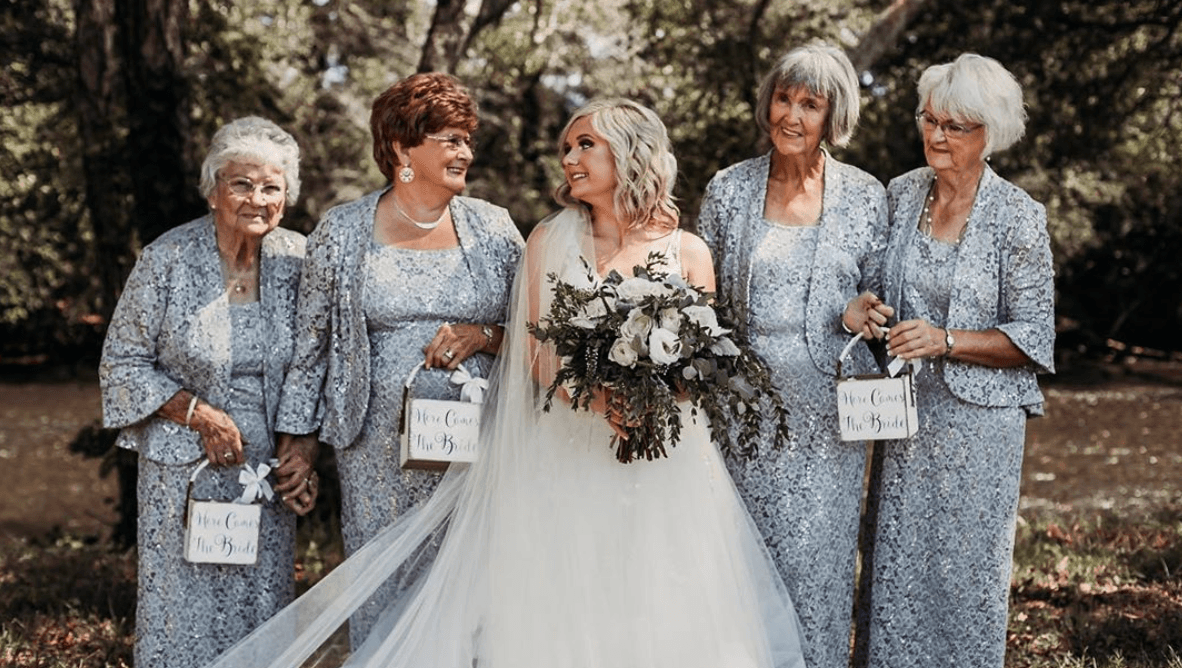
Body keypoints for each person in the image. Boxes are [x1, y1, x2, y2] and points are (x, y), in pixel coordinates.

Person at [207, 98, 806, 668]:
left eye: (585, 145)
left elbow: (702, 356)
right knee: (568, 597)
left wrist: (653, 402)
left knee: (663, 589)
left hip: (664, 456)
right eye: (566, 146)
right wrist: (602, 401)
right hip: (566, 448)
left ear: (628, 153)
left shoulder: (689, 251)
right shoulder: (549, 239)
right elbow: (535, 351)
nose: (569, 159)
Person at [273, 71, 524, 647]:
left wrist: (483, 334)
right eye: (450, 140)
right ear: (400, 148)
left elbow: (533, 333)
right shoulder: (340, 230)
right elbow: (312, 348)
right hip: (376, 455)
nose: (466, 151)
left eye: (467, 139)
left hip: (480, 447)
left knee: (475, 590)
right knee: (385, 588)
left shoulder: (493, 226)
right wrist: (301, 442)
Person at [844, 53, 1055, 668]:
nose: (937, 135)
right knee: (896, 566)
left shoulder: (1020, 217)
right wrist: (865, 307)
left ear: (991, 132)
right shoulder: (901, 191)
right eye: (930, 120)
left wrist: (946, 340)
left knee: (966, 575)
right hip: (905, 417)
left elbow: (1034, 338)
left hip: (980, 427)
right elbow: (876, 283)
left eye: (955, 125)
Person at [99, 116, 318, 668]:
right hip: (183, 468)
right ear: (213, 189)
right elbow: (121, 363)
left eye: (272, 187)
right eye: (242, 184)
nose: (257, 198)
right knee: (182, 613)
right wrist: (198, 413)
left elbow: (315, 361)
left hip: (263, 467)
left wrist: (303, 448)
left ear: (286, 198)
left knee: (263, 608)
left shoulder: (300, 260)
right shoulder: (166, 259)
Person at [696, 42, 888, 668]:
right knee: (740, 563)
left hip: (831, 414)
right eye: (785, 97)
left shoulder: (865, 195)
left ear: (833, 116)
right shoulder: (728, 188)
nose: (793, 115)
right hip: (742, 410)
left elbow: (881, 298)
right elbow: (700, 300)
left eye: (811, 104)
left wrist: (863, 311)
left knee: (819, 566)